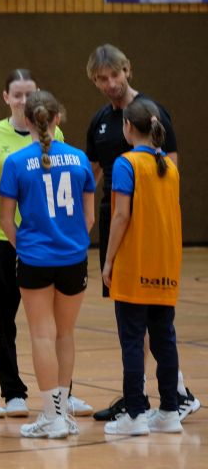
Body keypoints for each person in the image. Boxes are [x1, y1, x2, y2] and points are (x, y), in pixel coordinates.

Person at [84, 44, 196, 420]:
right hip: (114, 218)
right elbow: (92, 174)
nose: (110, 83)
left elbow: (170, 171)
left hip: (142, 225)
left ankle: (162, 393)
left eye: (115, 75)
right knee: (137, 318)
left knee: (144, 320)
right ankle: (147, 395)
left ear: (128, 70)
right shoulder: (100, 121)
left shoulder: (151, 112)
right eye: (102, 78)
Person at [0, 69, 77, 417]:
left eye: (29, 94)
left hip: (45, 242)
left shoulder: (55, 133)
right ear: (6, 97)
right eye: (17, 95)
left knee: (56, 323)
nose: (23, 101)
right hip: (1, 238)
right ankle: (13, 392)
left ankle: (62, 393)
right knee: (2, 319)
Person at [0, 91, 96, 439]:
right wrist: (71, 244)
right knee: (65, 334)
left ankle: (52, 417)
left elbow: (6, 221)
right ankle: (63, 414)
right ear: (58, 118)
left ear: (26, 121)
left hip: (35, 259)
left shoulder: (15, 162)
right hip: (74, 259)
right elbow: (88, 219)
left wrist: (26, 248)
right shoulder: (80, 159)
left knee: (42, 334)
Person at [102, 99, 185, 436]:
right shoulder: (170, 167)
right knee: (164, 339)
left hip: (135, 263)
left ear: (127, 127)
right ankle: (170, 410)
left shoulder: (127, 163)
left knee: (133, 341)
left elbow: (121, 215)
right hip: (165, 264)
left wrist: (109, 260)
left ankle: (135, 414)